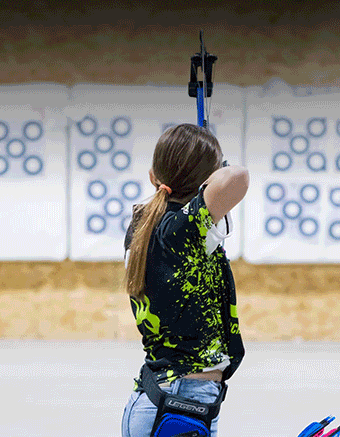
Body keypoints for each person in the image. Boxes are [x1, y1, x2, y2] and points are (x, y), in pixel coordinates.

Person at [120, 123, 248, 437]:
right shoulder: (182, 232)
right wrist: (220, 169)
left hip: (169, 401)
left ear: (153, 176)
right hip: (179, 403)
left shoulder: (146, 224)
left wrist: (208, 172)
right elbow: (238, 178)